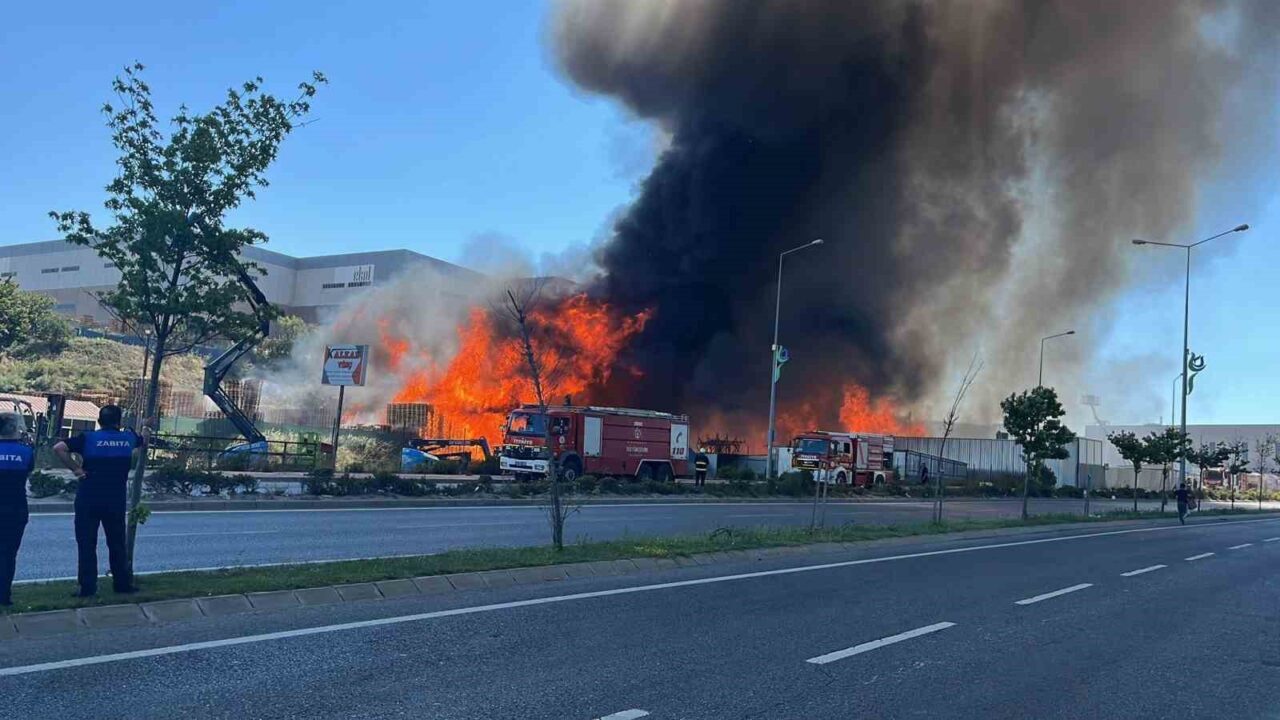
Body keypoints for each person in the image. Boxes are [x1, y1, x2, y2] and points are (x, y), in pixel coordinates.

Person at [53, 405, 147, 597]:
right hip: (115, 498)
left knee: (87, 543)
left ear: (99, 421)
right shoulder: (127, 438)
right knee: (117, 542)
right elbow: (144, 441)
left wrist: (77, 470)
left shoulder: (88, 438)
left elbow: (59, 448)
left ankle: (87, 587)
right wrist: (146, 427)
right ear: (119, 422)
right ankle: (122, 585)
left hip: (89, 496)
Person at [0, 412, 35, 606]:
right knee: (8, 554)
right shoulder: (26, 452)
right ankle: (3, 596)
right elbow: (28, 471)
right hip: (15, 508)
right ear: (15, 429)